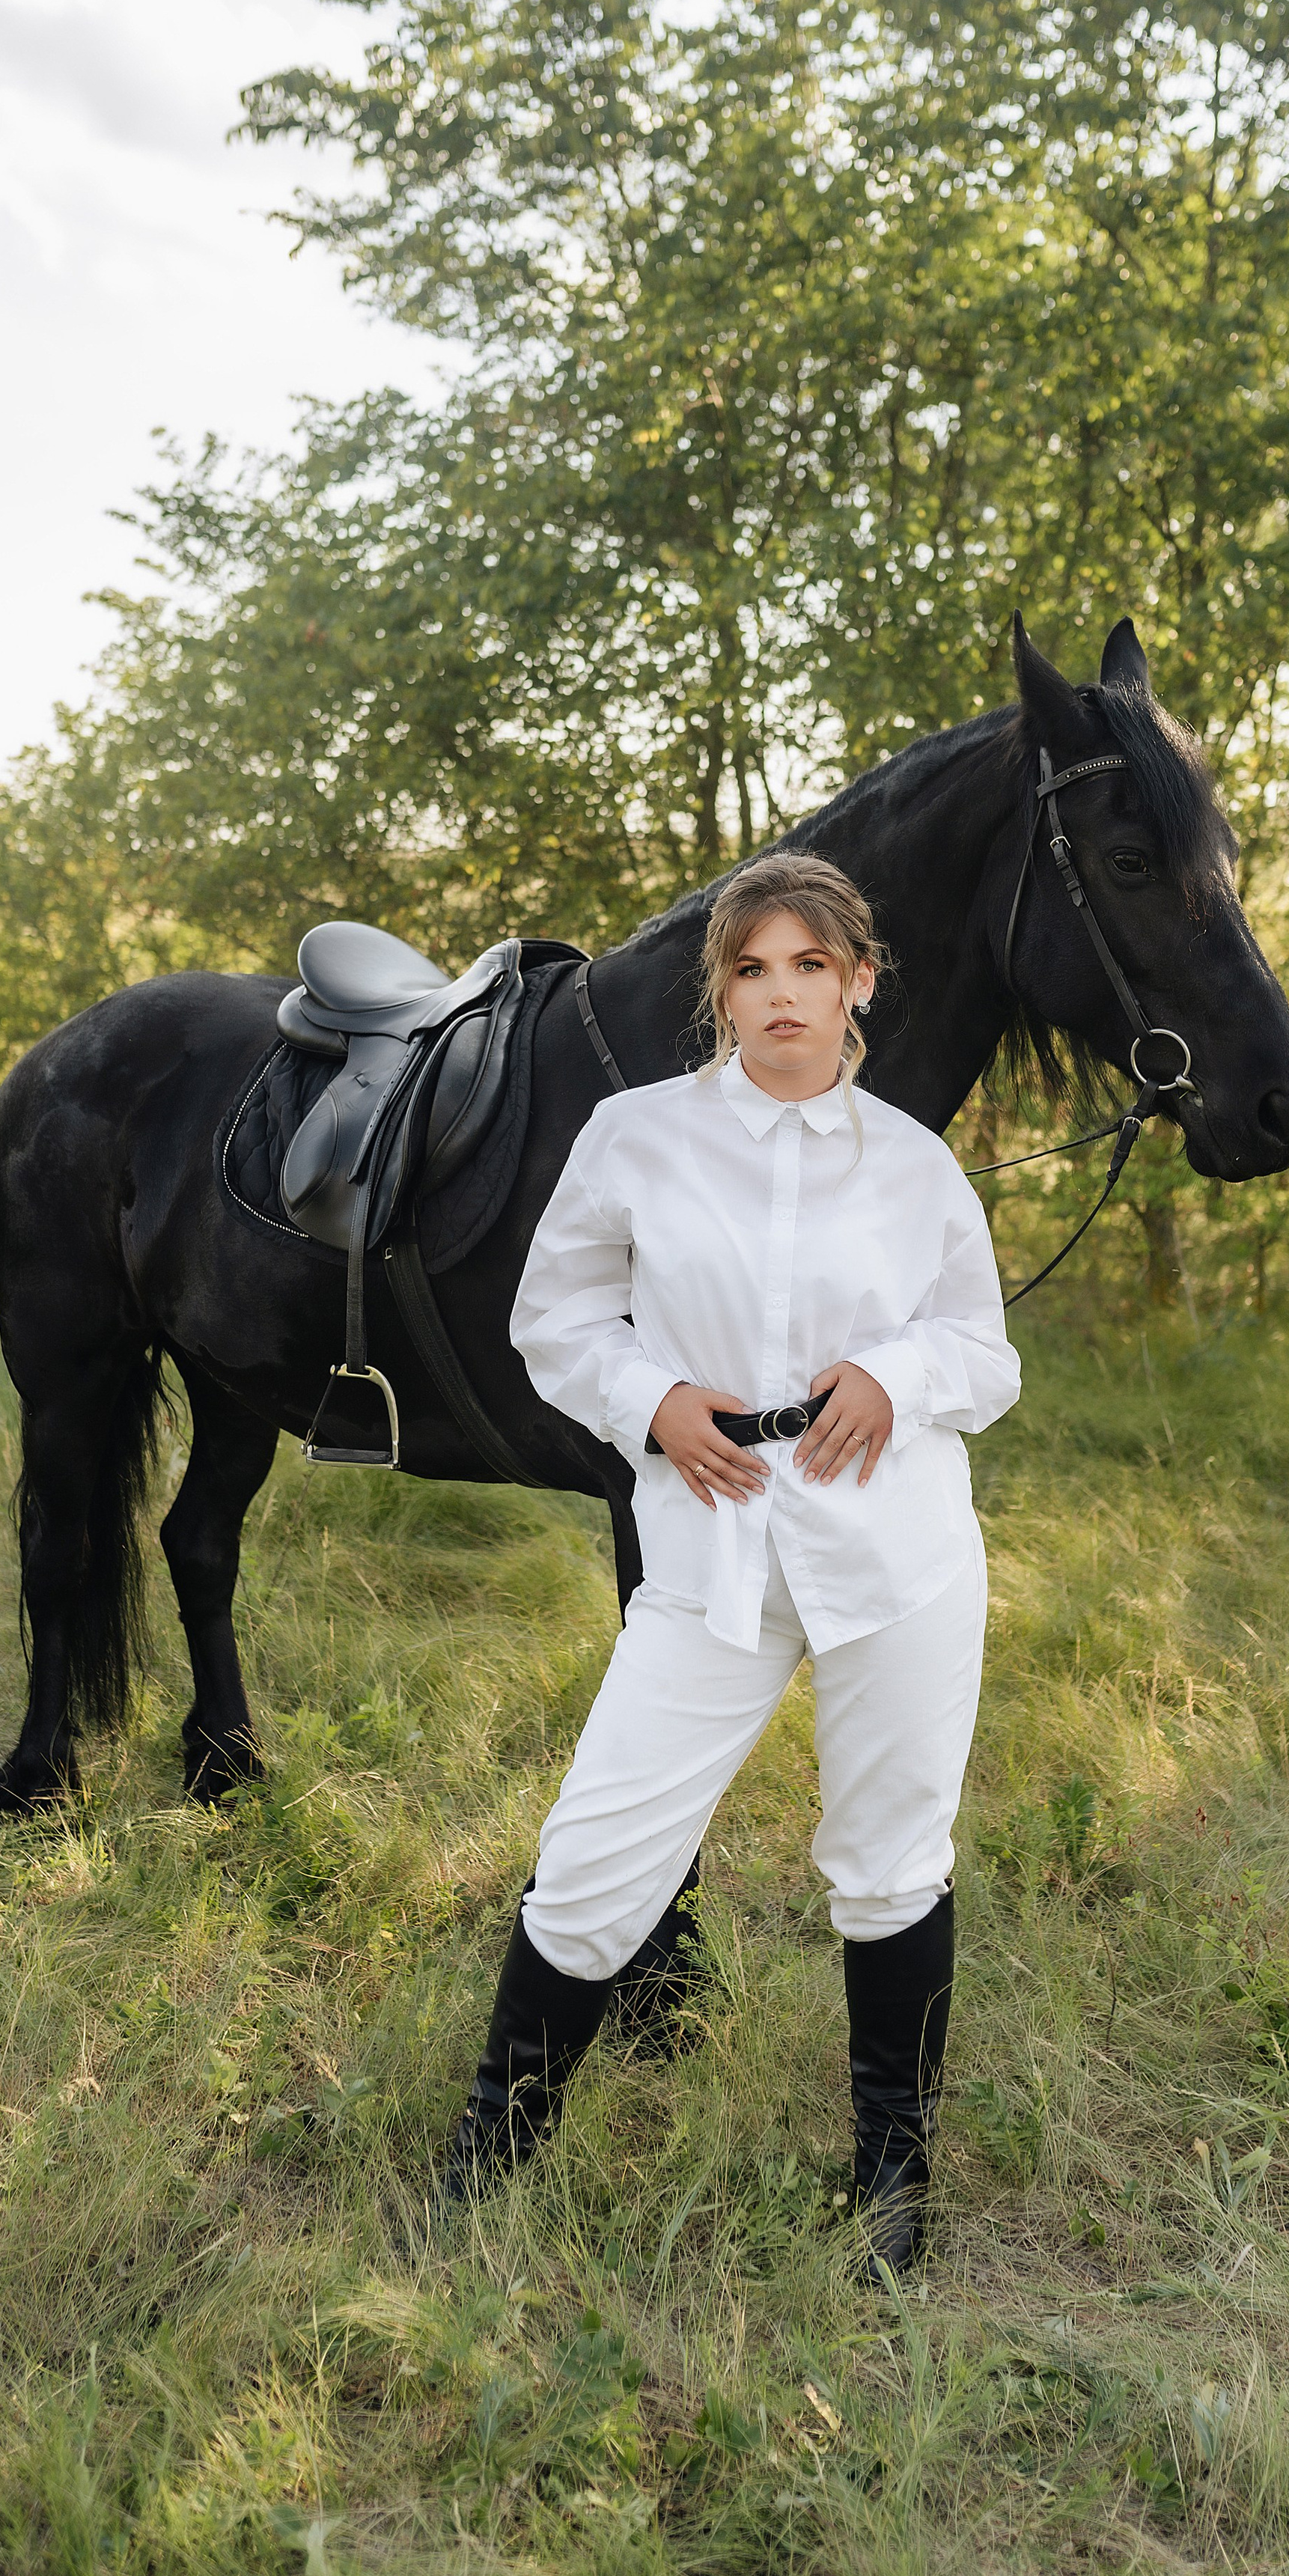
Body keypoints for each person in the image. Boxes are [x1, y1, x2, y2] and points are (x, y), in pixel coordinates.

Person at [439, 853, 1021, 2274]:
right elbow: (555, 1313)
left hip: (897, 1543)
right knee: (595, 1858)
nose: (782, 994)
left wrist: (893, 1370)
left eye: (809, 966)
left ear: (859, 982)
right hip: (712, 1537)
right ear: (723, 989)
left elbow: (983, 1353)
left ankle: (892, 2171)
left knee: (889, 1864)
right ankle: (485, 2158)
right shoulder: (635, 1137)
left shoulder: (915, 1162)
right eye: (753, 968)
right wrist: (651, 1401)